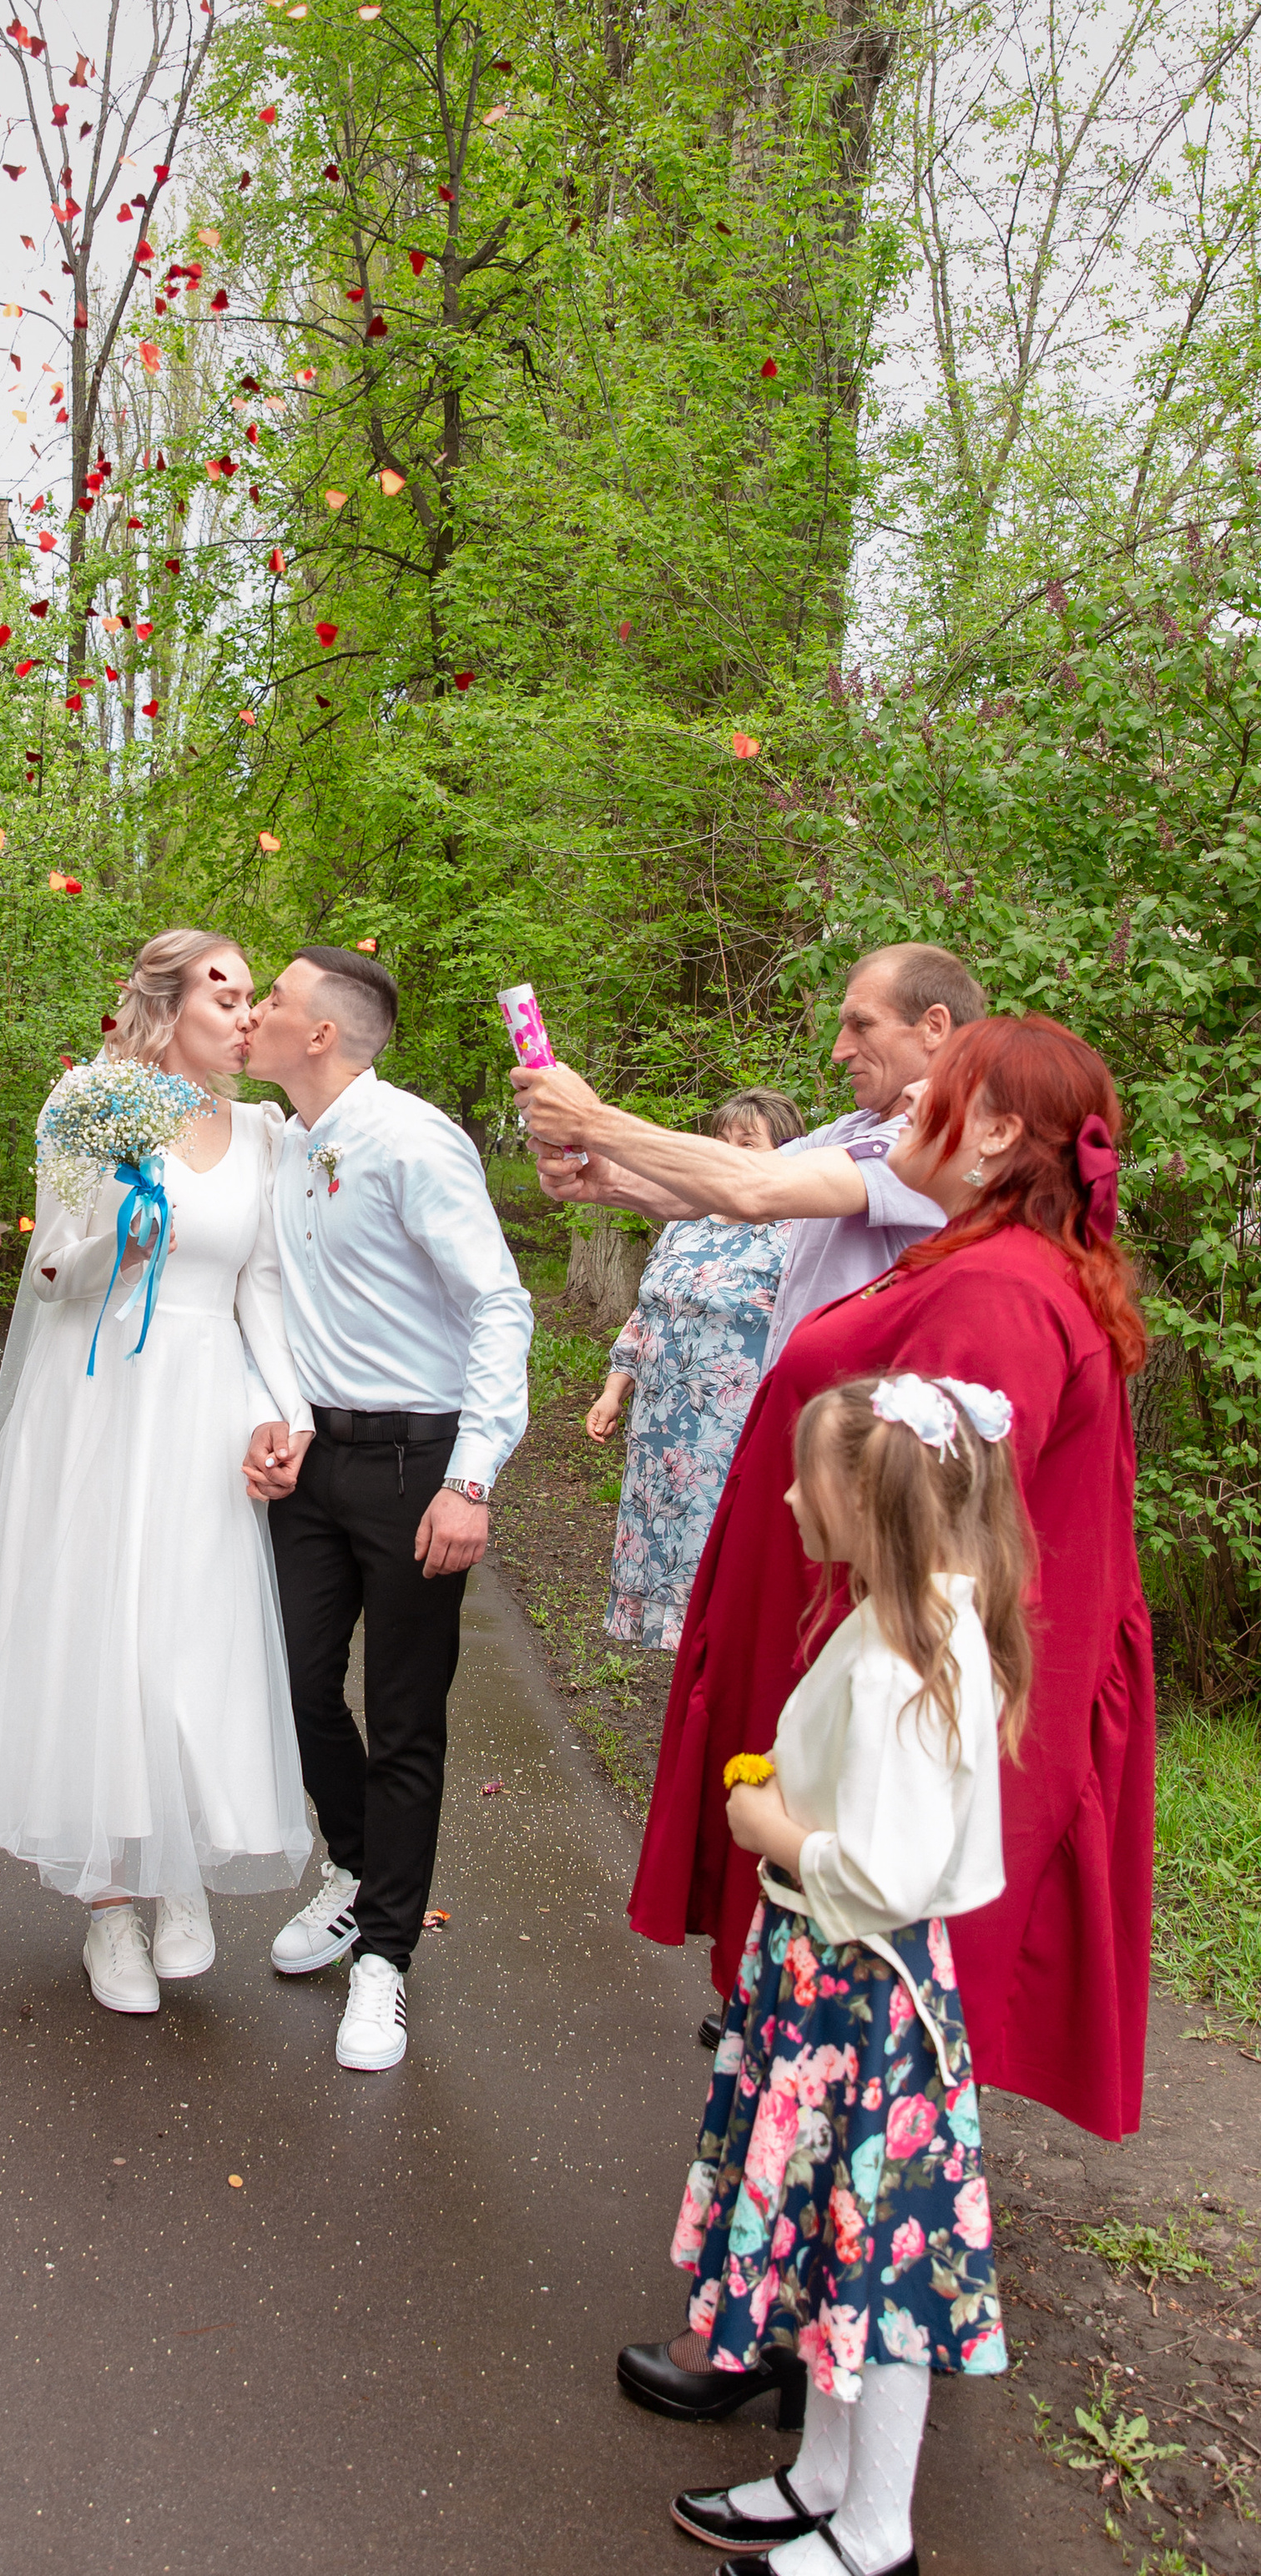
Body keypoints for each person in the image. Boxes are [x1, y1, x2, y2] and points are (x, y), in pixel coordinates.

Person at [603, 1013, 1152, 2427]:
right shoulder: (986, 1258)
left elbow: (941, 1535)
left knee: (842, 2046)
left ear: (1000, 1136)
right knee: (812, 2039)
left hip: (887, 1698)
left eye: (941, 1089)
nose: (907, 1098)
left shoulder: (1000, 1296)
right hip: (868, 1668)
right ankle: (786, 2328)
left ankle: (799, 2348)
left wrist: (842, 1737)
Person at [0, 930, 314, 2014]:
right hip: (101, 1402)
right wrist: (113, 1250)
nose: (246, 1008)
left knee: (195, 1636)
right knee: (107, 1636)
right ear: (168, 1005)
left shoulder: (266, 1133)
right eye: (223, 990)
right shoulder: (88, 1103)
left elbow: (260, 1289)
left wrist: (286, 1414)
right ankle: (109, 1908)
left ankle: (183, 1874)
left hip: (209, 1405)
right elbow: (47, 1266)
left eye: (253, 992)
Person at [663, 1371, 1025, 2576]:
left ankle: (879, 2533)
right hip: (823, 1988)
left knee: (883, 2265)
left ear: (865, 1503)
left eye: (802, 1476)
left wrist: (775, 1830)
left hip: (864, 1998)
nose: (783, 1491)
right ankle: (824, 2474)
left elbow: (889, 1867)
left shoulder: (908, 1660)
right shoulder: (887, 1621)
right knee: (834, 2240)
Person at [242, 948, 534, 2073]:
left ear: (322, 1034)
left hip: (419, 1465)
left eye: (273, 999)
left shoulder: (414, 1141)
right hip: (311, 1459)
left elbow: (499, 1302)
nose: (258, 1011)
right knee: (296, 1679)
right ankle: (358, 1875)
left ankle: (385, 1965)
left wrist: (473, 1479)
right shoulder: (284, 1142)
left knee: (405, 1715)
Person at [526, 946, 987, 1372]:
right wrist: (604, 1178)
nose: (840, 1050)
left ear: (934, 1026)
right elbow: (707, 1195)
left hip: (872, 1438)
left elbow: (755, 1188)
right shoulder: (853, 1129)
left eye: (861, 1025)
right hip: (812, 1420)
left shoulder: (944, 1137)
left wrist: (590, 1121)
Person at [587, 1088, 805, 1651]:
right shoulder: (687, 1221)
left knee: (722, 1563)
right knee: (662, 1545)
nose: (729, 1152)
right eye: (722, 1140)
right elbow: (648, 1308)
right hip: (660, 1426)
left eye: (747, 1142)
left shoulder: (797, 1232)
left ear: (788, 1152)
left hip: (729, 1432)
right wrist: (615, 1389)